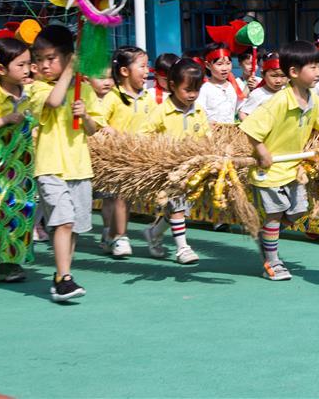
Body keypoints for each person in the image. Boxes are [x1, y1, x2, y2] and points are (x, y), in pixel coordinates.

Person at [240, 40, 319, 281]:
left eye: (318, 67)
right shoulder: (279, 101)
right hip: (269, 171)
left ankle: (268, 236)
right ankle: (271, 262)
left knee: (298, 210)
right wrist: (262, 152)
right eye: (312, 67)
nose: (318, 72)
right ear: (293, 72)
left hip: (293, 168)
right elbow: (250, 129)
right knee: (274, 214)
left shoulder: (312, 97)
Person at [28, 25, 104, 302]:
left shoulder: (83, 88)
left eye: (51, 58)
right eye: (39, 59)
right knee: (63, 221)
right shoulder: (37, 88)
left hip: (79, 166)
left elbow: (94, 128)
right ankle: (64, 278)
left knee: (70, 227)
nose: (43, 65)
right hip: (50, 166)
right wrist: (70, 69)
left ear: (66, 56)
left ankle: (62, 275)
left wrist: (84, 116)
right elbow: (54, 99)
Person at [140, 59, 211, 264]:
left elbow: (207, 137)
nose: (192, 94)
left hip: (192, 169)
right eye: (187, 89)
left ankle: (154, 233)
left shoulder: (198, 111)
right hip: (168, 170)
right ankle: (182, 248)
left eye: (196, 89)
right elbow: (143, 135)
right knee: (178, 206)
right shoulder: (161, 111)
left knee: (178, 207)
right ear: (172, 85)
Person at [97, 46, 153, 258]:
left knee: (124, 200)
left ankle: (111, 235)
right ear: (124, 71)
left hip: (138, 157)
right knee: (118, 197)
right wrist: (110, 131)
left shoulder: (147, 97)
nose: (147, 70)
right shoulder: (113, 97)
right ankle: (120, 236)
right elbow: (98, 121)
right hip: (115, 158)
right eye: (142, 66)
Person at [197, 42, 242, 124]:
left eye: (228, 63)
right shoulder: (204, 89)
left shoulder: (234, 87)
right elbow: (199, 115)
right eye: (219, 64)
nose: (225, 68)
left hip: (231, 133)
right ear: (208, 65)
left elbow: (241, 109)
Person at [238, 51, 285, 120]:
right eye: (274, 76)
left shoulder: (287, 91)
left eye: (283, 76)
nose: (278, 80)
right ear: (263, 75)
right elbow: (243, 113)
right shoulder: (257, 94)